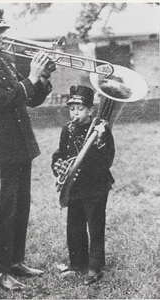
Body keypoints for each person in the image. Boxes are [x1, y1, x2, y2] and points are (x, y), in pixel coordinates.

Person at [0, 9, 55, 291]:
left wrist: (41, 78)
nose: (5, 35)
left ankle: (15, 262)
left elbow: (30, 100)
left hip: (22, 146)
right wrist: (31, 77)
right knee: (3, 209)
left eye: (5, 30)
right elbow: (5, 100)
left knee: (20, 207)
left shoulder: (4, 62)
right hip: (2, 151)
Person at [51, 85, 115, 284]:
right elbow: (59, 154)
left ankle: (95, 267)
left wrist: (101, 137)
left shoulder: (101, 130)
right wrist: (58, 166)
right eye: (72, 108)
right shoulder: (67, 129)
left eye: (80, 108)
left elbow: (107, 159)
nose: (75, 113)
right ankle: (78, 264)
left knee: (95, 225)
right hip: (75, 186)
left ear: (90, 110)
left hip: (96, 186)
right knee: (75, 225)